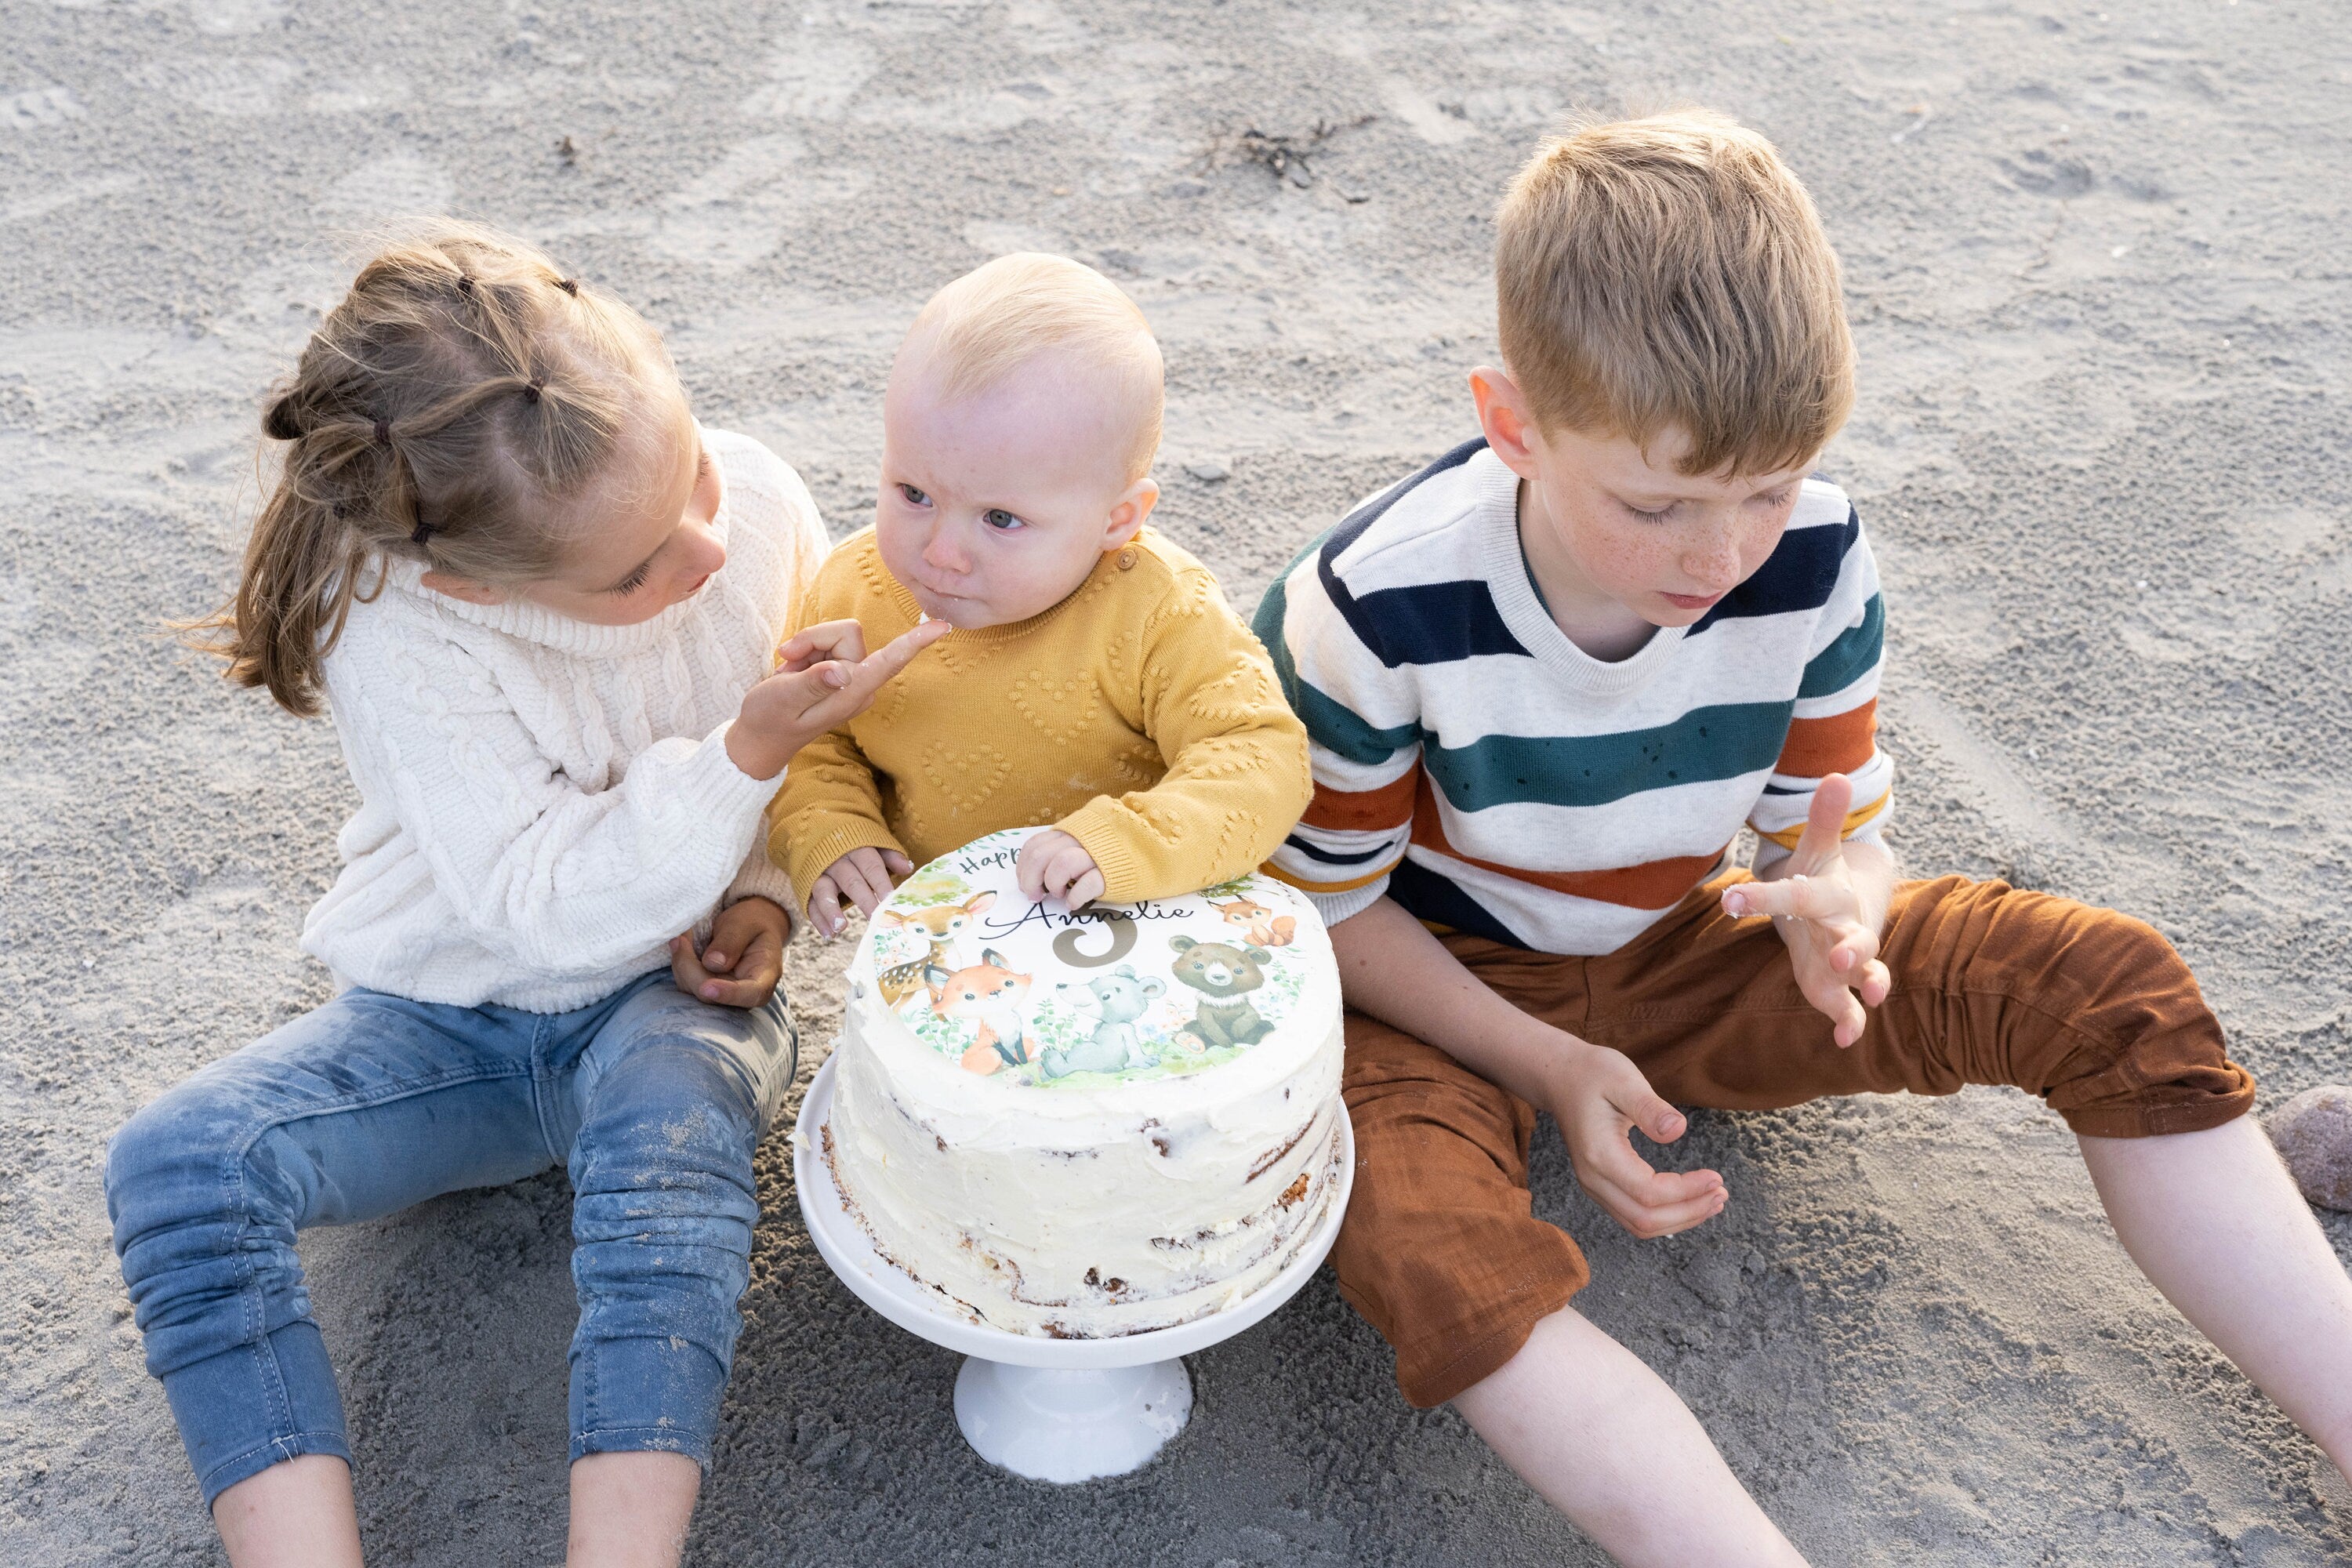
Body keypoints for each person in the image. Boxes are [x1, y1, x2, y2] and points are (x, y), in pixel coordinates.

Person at [1255, 111, 2352, 1565]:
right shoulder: (1367, 604)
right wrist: (1549, 1063)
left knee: (2104, 983)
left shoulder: (1816, 551)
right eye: (1656, 504)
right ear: (1514, 423)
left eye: (1765, 490)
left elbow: (1833, 833)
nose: (1718, 560)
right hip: (1426, 994)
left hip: (1688, 946)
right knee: (1415, 1238)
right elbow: (1322, 916)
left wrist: (1835, 901)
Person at [103, 221, 942, 1568]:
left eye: (693, 484)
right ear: (474, 585)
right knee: (177, 1165)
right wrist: (742, 754)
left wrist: (773, 891)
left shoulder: (766, 502)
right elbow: (538, 908)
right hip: (456, 1019)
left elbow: (831, 760)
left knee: (671, 1136)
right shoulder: (399, 627)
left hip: (668, 1004)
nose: (706, 555)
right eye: (634, 571)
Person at [770, 251, 1311, 931]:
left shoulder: (1161, 613)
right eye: (913, 493)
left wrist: (1125, 844)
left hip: (1139, 931)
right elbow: (810, 741)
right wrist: (833, 826)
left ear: (1118, 519)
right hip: (947, 941)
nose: (940, 554)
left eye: (1001, 519)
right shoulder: (855, 586)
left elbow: (1263, 758)